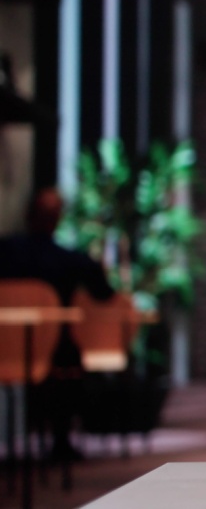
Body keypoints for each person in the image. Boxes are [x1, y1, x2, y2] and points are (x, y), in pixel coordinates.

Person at [0, 188, 115, 460]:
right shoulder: (70, 259)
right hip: (52, 353)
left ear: (28, 216)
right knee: (70, 359)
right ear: (57, 220)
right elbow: (104, 294)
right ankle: (60, 441)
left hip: (2, 349)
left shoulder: (4, 252)